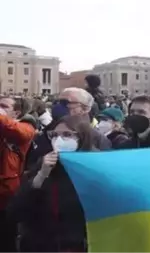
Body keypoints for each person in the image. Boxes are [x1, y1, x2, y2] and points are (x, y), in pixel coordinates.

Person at [8, 115, 96, 253]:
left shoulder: (93, 168)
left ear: (83, 137)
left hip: (78, 246)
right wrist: (41, 175)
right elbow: (16, 210)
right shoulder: (44, 164)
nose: (59, 140)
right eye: (54, 135)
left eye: (67, 135)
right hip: (41, 245)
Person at [0, 96, 37, 253]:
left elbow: (18, 133)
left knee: (5, 238)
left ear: (16, 112)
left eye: (3, 106)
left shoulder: (27, 127)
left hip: (6, 192)